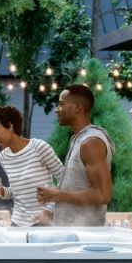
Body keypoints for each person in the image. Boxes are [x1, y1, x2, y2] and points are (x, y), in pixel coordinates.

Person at [37, 84, 114, 227]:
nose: (56, 109)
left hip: (85, 237)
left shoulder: (91, 142)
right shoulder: (78, 139)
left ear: (78, 107)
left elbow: (103, 194)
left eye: (61, 104)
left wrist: (57, 195)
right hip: (72, 234)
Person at [0, 105, 64, 227]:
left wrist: (49, 210)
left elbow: (65, 181)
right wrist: (2, 191)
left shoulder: (39, 147)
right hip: (17, 223)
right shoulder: (3, 157)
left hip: (42, 223)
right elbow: (17, 191)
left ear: (10, 126)